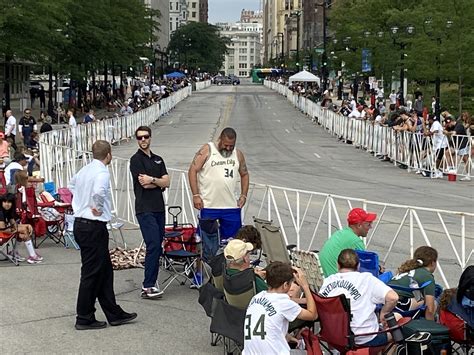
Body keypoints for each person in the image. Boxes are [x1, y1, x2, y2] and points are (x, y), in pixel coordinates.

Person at [68, 140, 137, 330]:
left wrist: (80, 202)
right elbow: (98, 192)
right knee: (91, 272)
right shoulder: (102, 172)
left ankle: (113, 312)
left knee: (105, 270)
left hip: (82, 224)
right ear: (109, 154)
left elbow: (71, 184)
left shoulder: (85, 170)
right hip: (93, 225)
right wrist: (95, 207)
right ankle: (84, 316)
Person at [188, 127, 249, 261]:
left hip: (231, 207)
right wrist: (196, 195)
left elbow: (244, 174)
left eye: (231, 146)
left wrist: (244, 195)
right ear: (220, 140)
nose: (228, 149)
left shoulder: (238, 154)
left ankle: (230, 274)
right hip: (209, 205)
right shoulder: (207, 150)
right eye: (226, 145)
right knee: (206, 243)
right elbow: (192, 170)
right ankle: (202, 271)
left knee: (233, 245)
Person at [319, 249, 399, 347]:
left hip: (335, 338)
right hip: (365, 338)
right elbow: (393, 298)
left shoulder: (328, 281)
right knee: (397, 332)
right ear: (358, 266)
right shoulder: (366, 280)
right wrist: (384, 313)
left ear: (338, 265)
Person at [243, 262, 318, 355]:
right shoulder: (283, 302)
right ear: (285, 285)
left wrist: (286, 337)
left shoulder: (256, 297)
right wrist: (305, 286)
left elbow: (267, 326)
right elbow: (313, 315)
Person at [129, 126, 170, 299]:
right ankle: (148, 286)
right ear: (137, 140)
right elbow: (143, 184)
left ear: (150, 138)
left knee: (158, 244)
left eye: (146, 137)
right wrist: (158, 182)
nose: (143, 140)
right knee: (152, 244)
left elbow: (167, 182)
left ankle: (152, 282)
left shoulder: (158, 159)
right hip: (144, 209)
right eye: (140, 138)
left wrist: (154, 180)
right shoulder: (135, 160)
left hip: (159, 207)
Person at [319, 207, 376, 277]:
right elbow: (365, 269)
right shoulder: (356, 241)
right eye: (368, 224)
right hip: (338, 280)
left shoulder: (339, 233)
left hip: (325, 276)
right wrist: (379, 268)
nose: (371, 227)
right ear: (359, 225)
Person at [388, 246, 438, 320]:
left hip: (385, 299)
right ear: (432, 263)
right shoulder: (427, 276)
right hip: (399, 303)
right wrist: (431, 325)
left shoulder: (408, 270)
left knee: (418, 296)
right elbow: (430, 309)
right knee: (433, 303)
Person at [0, 193, 43, 264]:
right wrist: (21, 228)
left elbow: (14, 225)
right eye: (4, 202)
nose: (7, 204)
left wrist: (26, 225)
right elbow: (2, 229)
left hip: (2, 233)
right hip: (1, 234)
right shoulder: (0, 212)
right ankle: (32, 256)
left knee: (23, 233)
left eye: (9, 202)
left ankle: (15, 253)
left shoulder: (7, 211)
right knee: (23, 230)